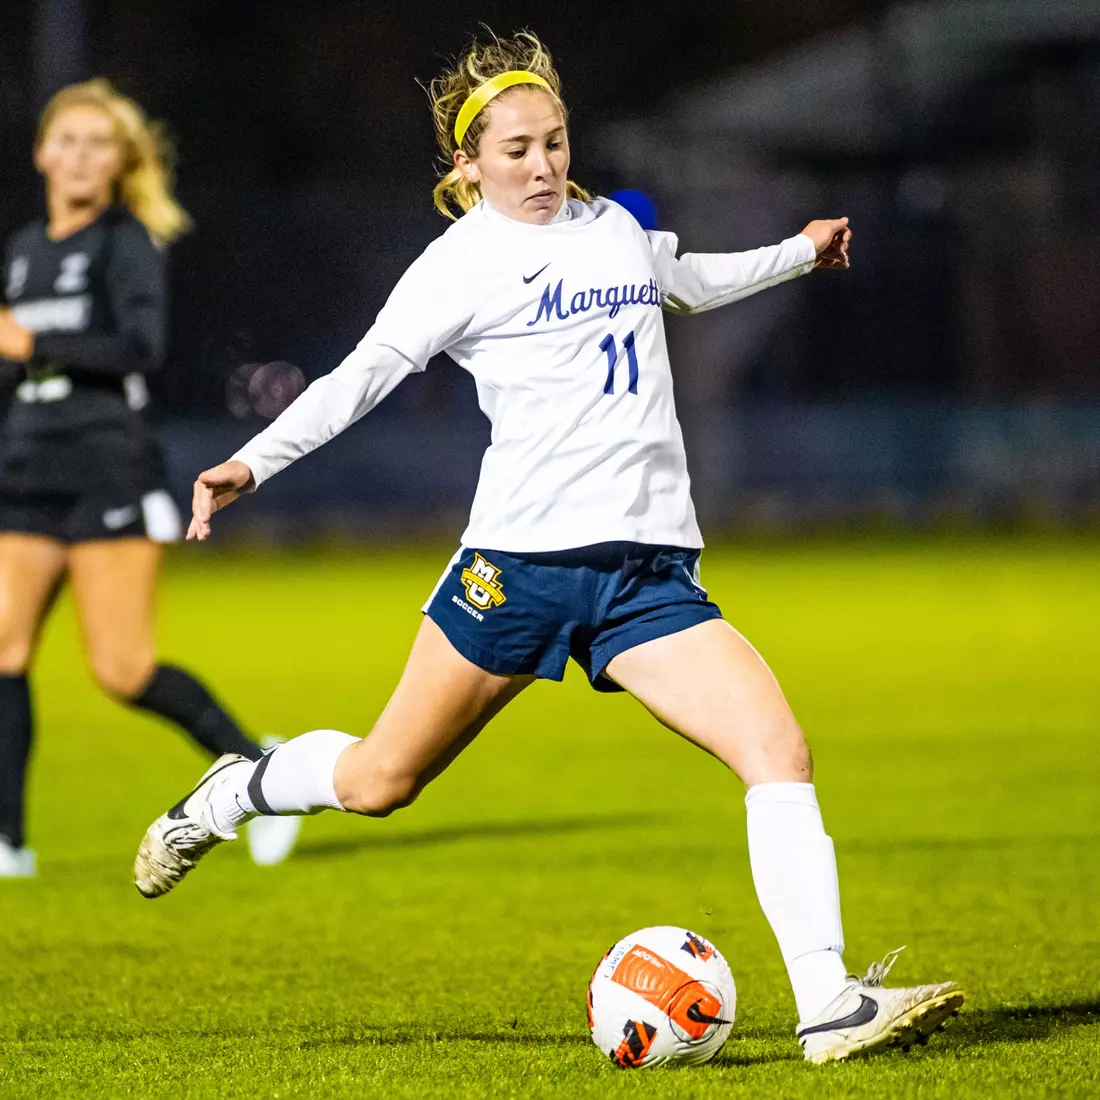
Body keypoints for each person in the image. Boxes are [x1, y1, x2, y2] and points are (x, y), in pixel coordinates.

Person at [133, 33, 963, 1062]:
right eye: (516, 149)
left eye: (554, 143)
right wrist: (246, 464)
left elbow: (686, 280)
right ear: (466, 165)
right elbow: (356, 379)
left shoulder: (612, 226)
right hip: (517, 570)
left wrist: (797, 251)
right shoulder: (457, 266)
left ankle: (827, 1002)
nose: (540, 165)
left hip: (643, 578)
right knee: (381, 779)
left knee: (775, 748)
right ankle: (234, 790)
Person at [0, 79, 299, 875]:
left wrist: (32, 345)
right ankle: (8, 843)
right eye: (67, 139)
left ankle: (254, 767)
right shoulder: (26, 251)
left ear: (120, 160)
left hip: (106, 468)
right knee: (3, 647)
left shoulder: (126, 241)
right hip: (24, 469)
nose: (80, 155)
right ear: (41, 152)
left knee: (122, 671)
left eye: (99, 142)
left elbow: (139, 349)